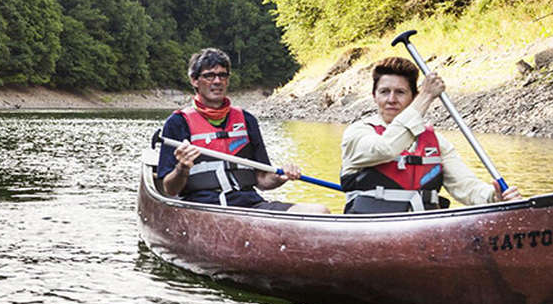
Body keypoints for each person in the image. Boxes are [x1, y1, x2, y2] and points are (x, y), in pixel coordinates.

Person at [340, 56, 523, 213]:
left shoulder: (435, 142)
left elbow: (467, 188)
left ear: (412, 97)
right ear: (374, 96)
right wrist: (426, 96)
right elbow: (385, 148)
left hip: (424, 228)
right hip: (370, 225)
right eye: (384, 92)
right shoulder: (358, 132)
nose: (391, 99)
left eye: (400, 92)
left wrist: (495, 197)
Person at [155, 48, 329, 213]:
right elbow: (169, 189)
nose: (217, 81)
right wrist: (182, 168)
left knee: (320, 211)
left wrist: (281, 177)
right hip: (203, 208)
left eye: (223, 75)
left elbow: (262, 180)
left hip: (250, 205)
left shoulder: (247, 120)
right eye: (209, 76)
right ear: (194, 80)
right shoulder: (177, 123)